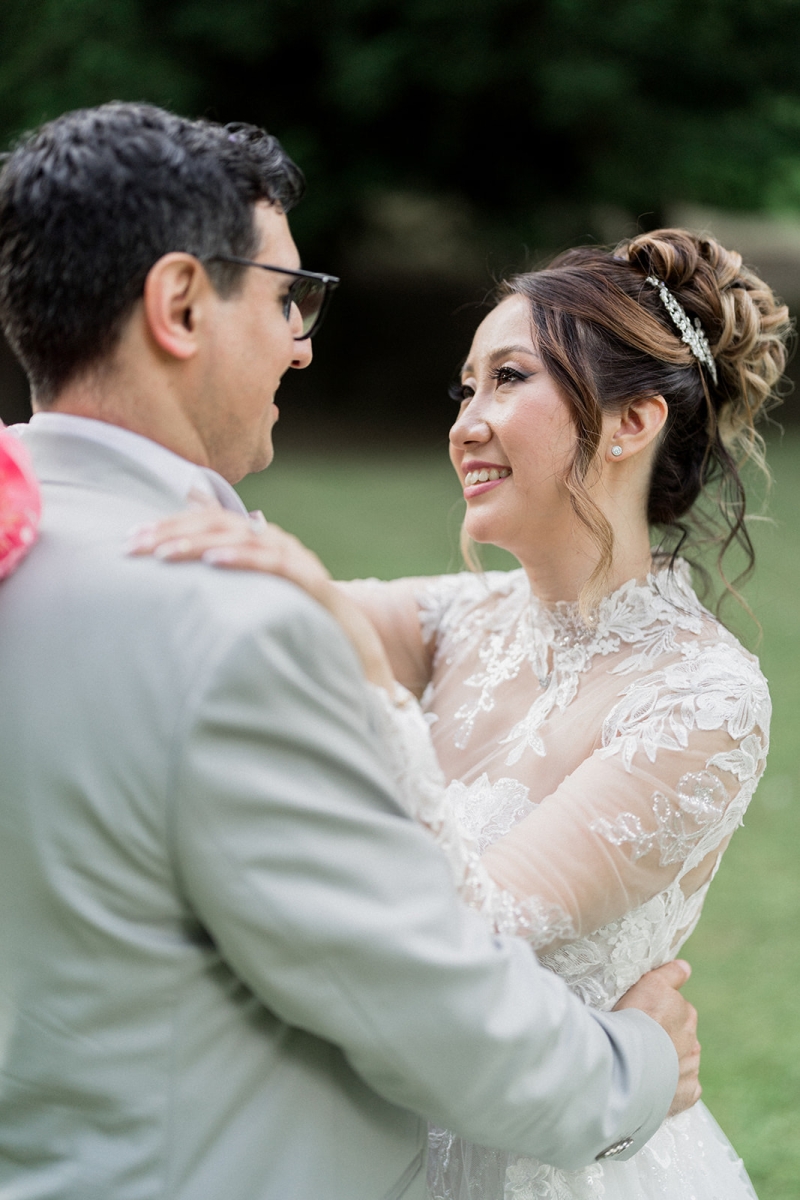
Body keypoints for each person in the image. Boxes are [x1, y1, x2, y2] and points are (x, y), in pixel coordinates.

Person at [0, 103, 701, 1200]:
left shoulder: (32, 544)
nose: (304, 341)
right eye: (288, 297)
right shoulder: (224, 624)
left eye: (505, 381)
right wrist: (638, 1060)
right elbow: (424, 1001)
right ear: (180, 302)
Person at [138, 227, 791, 1199]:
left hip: (551, 1162)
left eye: (507, 380)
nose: (465, 423)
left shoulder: (701, 699)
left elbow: (462, 933)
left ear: (629, 421)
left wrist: (358, 661)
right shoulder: (460, 618)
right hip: (372, 1146)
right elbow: (222, 618)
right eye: (464, 388)